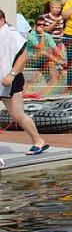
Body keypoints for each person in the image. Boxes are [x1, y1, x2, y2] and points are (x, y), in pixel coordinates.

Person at [0, 9, 49, 155]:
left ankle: (38, 141)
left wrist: (12, 74)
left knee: (18, 115)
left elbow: (23, 56)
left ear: (1, 20)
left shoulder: (11, 34)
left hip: (11, 79)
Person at [27, 17, 66, 85]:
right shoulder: (31, 35)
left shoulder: (47, 36)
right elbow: (40, 48)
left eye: (44, 25)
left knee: (52, 62)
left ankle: (55, 84)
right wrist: (42, 34)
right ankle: (60, 63)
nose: (42, 26)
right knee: (43, 52)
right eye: (39, 24)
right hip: (31, 59)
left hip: (43, 59)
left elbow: (55, 48)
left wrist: (63, 58)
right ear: (35, 25)